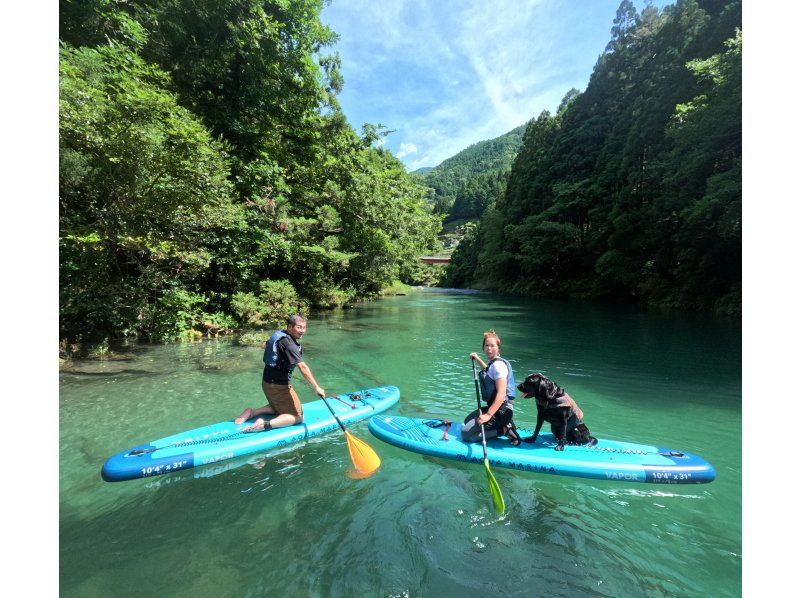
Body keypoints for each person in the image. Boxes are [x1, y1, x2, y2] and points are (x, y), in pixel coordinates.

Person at [234, 314, 325, 432]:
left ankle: (252, 412)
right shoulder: (289, 344)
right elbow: (303, 367)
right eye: (299, 327)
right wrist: (316, 387)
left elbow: (266, 344)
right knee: (298, 417)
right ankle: (263, 425)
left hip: (267, 383)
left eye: (304, 327)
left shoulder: (279, 335)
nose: (302, 331)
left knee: (278, 408)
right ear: (289, 327)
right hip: (278, 387)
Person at [462, 329, 521, 446]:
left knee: (466, 434)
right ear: (483, 348)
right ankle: (504, 424)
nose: (489, 348)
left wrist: (488, 415)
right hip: (496, 409)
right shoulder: (493, 364)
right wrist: (477, 358)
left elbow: (502, 393)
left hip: (502, 411)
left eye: (492, 346)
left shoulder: (499, 366)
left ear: (498, 348)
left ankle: (503, 430)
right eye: (486, 345)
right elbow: (488, 371)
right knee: (467, 421)